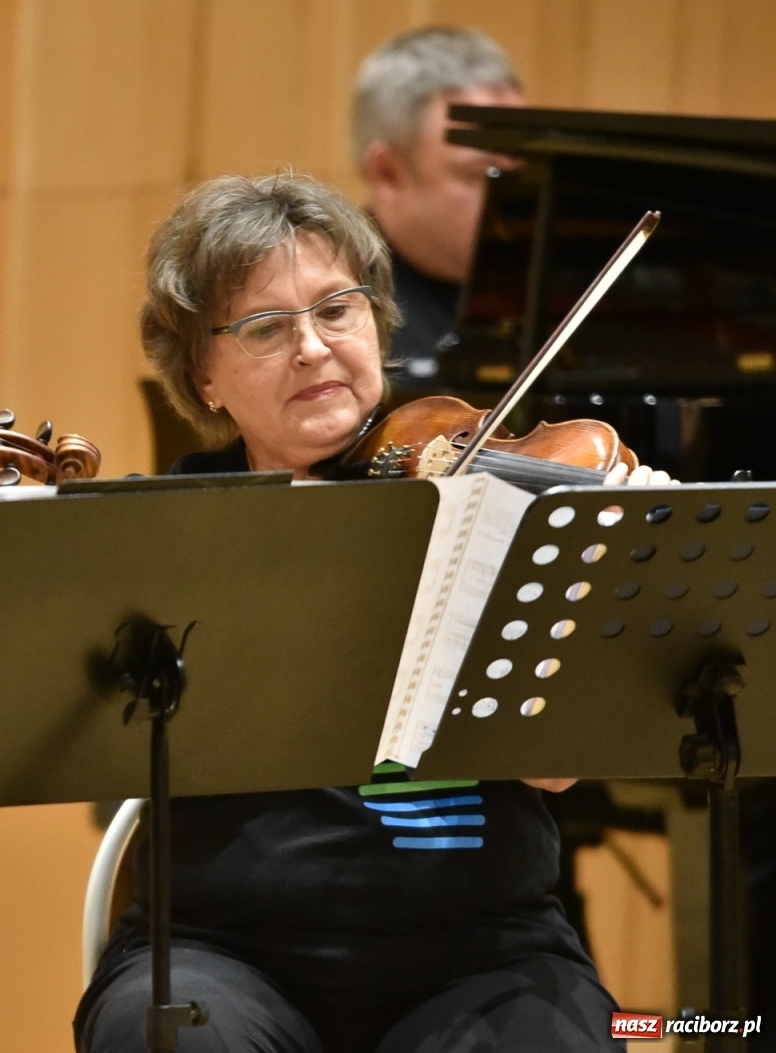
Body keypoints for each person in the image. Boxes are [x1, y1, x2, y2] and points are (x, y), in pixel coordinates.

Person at [73, 173, 671, 1053]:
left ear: (378, 325)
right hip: (223, 950)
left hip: (484, 952)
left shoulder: (495, 505)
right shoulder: (163, 533)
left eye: (337, 311)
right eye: (267, 330)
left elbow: (559, 770)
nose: (314, 349)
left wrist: (617, 577)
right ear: (204, 376)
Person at [354, 26, 524, 385]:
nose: (518, 198)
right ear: (388, 175)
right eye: (484, 173)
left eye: (521, 169)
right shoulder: (335, 308)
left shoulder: (560, 290)